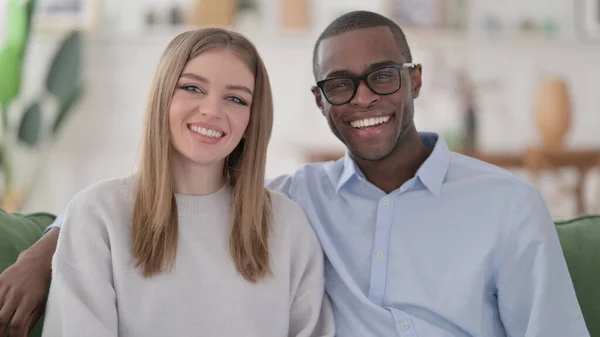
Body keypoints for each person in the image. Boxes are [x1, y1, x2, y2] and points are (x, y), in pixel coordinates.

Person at [0, 10, 590, 337]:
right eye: (340, 85)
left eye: (383, 76)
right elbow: (150, 205)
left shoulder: (508, 205)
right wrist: (42, 249)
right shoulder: (296, 201)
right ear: (319, 101)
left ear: (414, 80)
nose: (363, 99)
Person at [35, 27, 333, 337]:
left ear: (251, 122)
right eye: (192, 88)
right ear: (162, 96)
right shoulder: (97, 215)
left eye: (235, 98)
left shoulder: (287, 225)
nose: (212, 111)